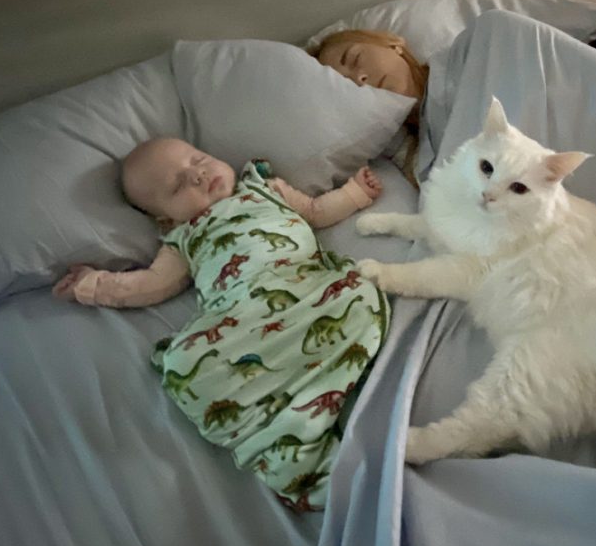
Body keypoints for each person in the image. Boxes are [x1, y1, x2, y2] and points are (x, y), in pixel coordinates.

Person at [54, 137, 389, 512]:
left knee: (359, 291)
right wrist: (94, 285)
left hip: (304, 289)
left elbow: (314, 210)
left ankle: (303, 410)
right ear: (166, 218)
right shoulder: (183, 238)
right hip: (243, 319)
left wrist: (355, 193)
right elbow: (148, 285)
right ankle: (295, 444)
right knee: (183, 366)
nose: (197, 175)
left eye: (198, 160)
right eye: (178, 185)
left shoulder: (265, 188)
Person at [311, 30, 429, 187]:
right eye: (348, 86)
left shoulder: (463, 62)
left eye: (355, 59)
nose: (360, 80)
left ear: (393, 43)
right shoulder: (416, 159)